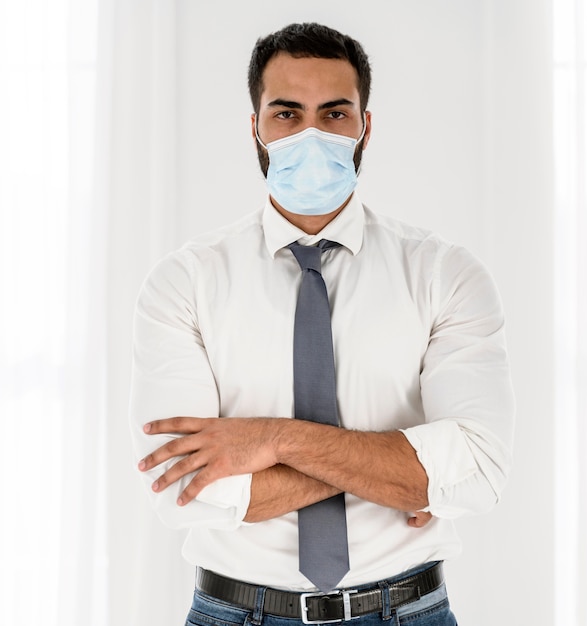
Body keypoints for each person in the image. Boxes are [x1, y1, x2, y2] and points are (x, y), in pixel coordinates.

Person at [130, 22, 515, 626]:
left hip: (407, 610)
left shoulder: (445, 274)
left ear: (365, 126)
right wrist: (400, 470)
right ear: (254, 127)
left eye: (334, 113)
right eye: (286, 113)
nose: (311, 134)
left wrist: (272, 440)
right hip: (235, 612)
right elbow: (187, 492)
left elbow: (479, 472)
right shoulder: (183, 283)